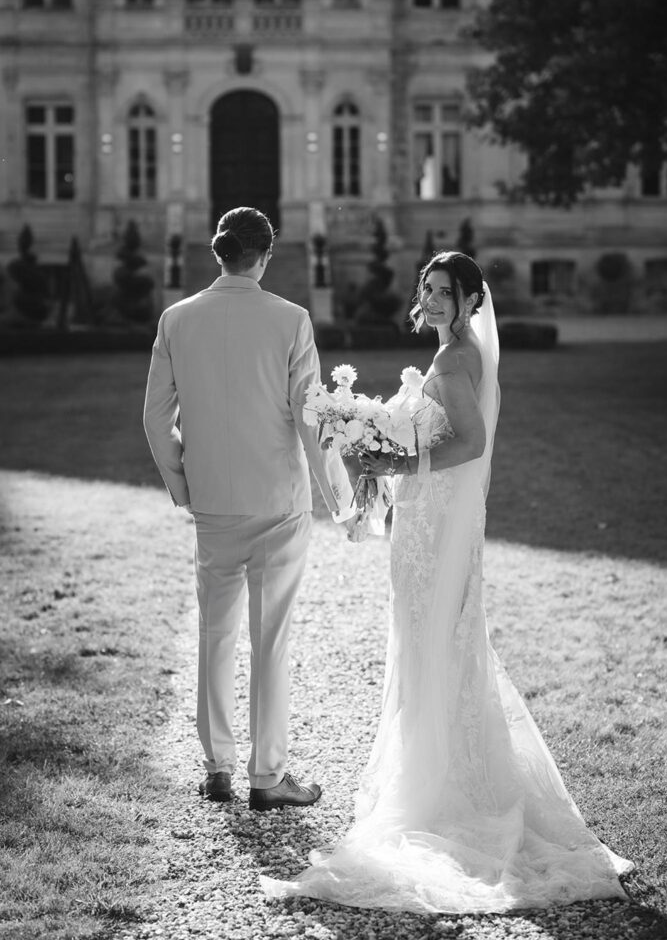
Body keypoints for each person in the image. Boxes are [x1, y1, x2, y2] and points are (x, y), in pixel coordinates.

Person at [261, 252, 633, 912]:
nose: (431, 299)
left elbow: (470, 442)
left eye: (444, 292)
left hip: (435, 526)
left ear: (468, 303)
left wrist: (397, 459)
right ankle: (448, 774)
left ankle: (443, 795)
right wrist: (379, 447)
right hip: (426, 523)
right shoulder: (450, 356)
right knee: (434, 649)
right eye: (426, 288)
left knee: (435, 648)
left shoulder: (454, 360)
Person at [143, 206, 354, 811]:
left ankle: (216, 767)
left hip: (213, 501)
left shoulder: (176, 319)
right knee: (270, 638)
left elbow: (157, 420)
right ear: (266, 255)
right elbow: (310, 419)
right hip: (276, 501)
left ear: (218, 254)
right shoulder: (290, 320)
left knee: (215, 632)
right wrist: (339, 497)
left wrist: (184, 485)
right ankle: (268, 776)